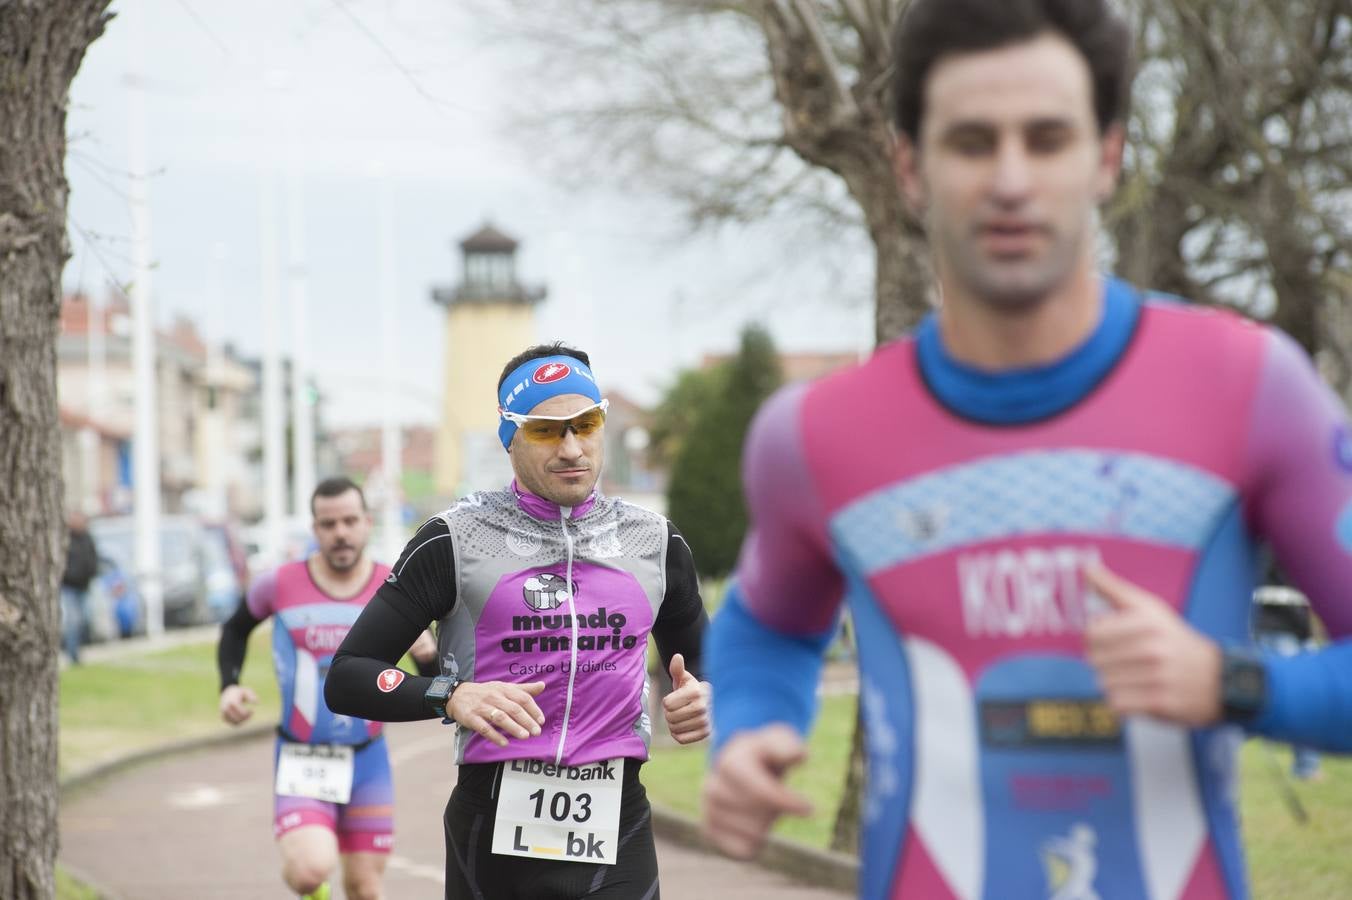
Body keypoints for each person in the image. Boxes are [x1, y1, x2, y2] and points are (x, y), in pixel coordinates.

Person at [701, 2, 1352, 898]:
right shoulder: (810, 437)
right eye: (972, 142)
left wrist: (1234, 684)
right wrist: (748, 727)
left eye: (1047, 139)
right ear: (910, 167)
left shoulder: (1249, 387)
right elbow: (768, 627)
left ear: (1107, 155)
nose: (1011, 180)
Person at [325, 342, 711, 900]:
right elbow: (349, 673)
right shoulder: (454, 540)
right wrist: (449, 695)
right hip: (493, 817)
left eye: (585, 424)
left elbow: (702, 657)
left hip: (616, 816)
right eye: (546, 430)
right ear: (510, 438)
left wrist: (706, 694)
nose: (571, 447)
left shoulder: (653, 540)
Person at [217, 476, 438, 900]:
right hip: (302, 755)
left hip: (368, 760)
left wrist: (426, 653)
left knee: (365, 888)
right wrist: (230, 685)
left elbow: (437, 670)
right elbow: (234, 629)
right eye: (328, 523)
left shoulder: (394, 587)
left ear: (366, 523)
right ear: (315, 528)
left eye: (350, 521)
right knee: (309, 870)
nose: (340, 533)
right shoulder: (278, 584)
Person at [1252, 584, 1321, 780]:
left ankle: (1307, 766)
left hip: (1296, 630)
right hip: (1277, 630)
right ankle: (1306, 767)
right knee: (1300, 700)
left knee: (1304, 699)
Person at [61, 511, 99, 664]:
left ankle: (77, 649)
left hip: (84, 585)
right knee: (73, 620)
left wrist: (92, 572)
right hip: (70, 586)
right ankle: (72, 654)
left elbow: (93, 558)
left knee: (84, 619)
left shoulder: (87, 538)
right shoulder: (67, 539)